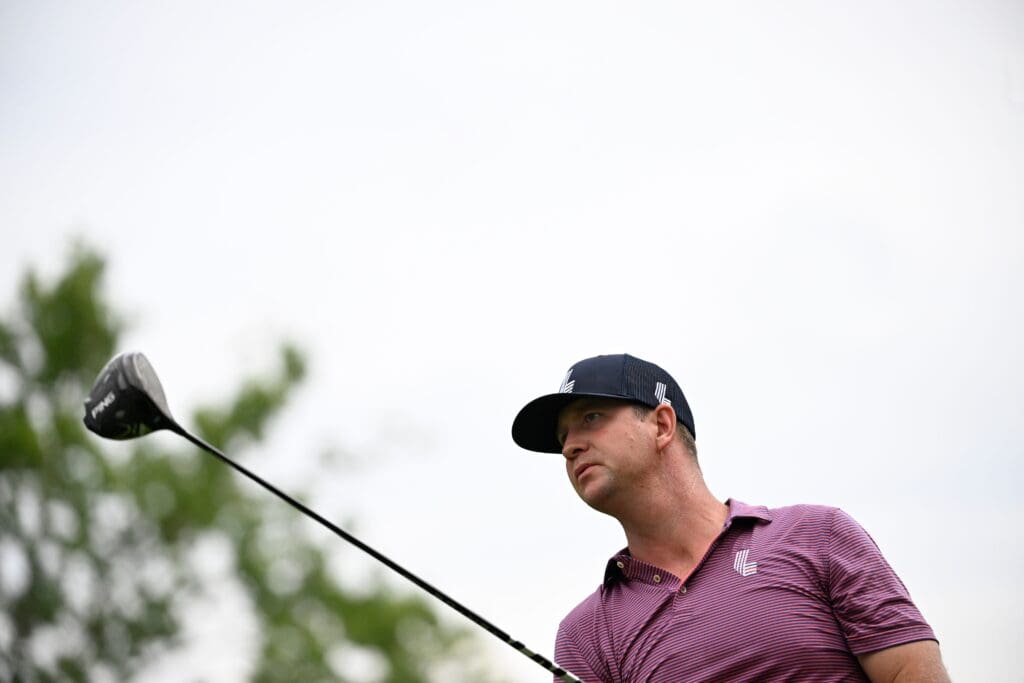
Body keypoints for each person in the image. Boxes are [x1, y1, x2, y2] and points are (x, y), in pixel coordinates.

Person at [512, 354, 949, 682]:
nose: (570, 446)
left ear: (662, 425)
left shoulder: (819, 535)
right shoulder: (586, 635)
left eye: (591, 418)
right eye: (564, 436)